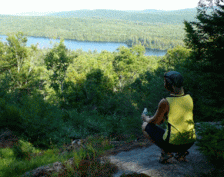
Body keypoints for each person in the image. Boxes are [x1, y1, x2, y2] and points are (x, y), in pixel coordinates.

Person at [141, 71, 196, 164]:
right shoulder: (189, 98)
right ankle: (181, 153)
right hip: (190, 142)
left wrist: (145, 117)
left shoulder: (165, 102)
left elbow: (155, 121)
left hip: (173, 144)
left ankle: (166, 152)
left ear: (168, 85)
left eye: (164, 82)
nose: (164, 84)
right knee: (171, 131)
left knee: (145, 126)